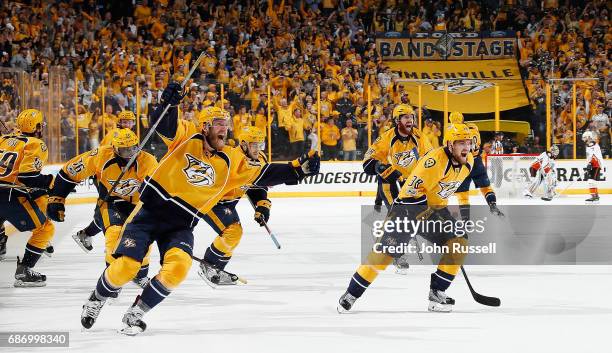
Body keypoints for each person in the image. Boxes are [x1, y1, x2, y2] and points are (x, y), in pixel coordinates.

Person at [78, 82, 320, 335]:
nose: (223, 128)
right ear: (204, 126)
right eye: (217, 123)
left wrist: (296, 170)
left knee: (179, 268)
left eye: (225, 124)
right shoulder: (187, 138)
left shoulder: (230, 160)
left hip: (181, 224)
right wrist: (169, 104)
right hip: (149, 213)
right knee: (127, 267)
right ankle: (96, 298)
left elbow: (262, 174)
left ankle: (136, 312)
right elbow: (165, 124)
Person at [338, 123, 474, 313]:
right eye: (461, 143)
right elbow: (410, 193)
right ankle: (351, 294)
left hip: (434, 211)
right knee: (382, 256)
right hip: (407, 210)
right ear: (450, 144)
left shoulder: (469, 162)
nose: (466, 147)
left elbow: (443, 191)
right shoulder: (434, 162)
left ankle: (437, 293)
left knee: (459, 242)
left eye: (469, 142)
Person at [47, 129, 158, 290]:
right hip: (111, 202)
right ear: (115, 149)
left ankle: (140, 275)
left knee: (143, 239)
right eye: (125, 150)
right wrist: (57, 198)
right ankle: (112, 280)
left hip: (138, 204)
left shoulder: (148, 161)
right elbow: (69, 172)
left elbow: (154, 192)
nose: (130, 154)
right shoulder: (100, 156)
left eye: (134, 148)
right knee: (113, 236)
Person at [0, 109, 55, 287]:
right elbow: (28, 177)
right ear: (37, 127)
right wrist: (51, 181)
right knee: (45, 228)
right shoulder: (35, 144)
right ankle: (25, 270)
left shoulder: (4, 139)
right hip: (9, 194)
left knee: (39, 195)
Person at [73, 110, 140, 251]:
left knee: (117, 209)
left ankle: (86, 234)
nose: (128, 124)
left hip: (119, 176)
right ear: (119, 122)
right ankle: (112, 239)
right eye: (125, 121)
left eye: (130, 121)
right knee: (108, 208)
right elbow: (104, 154)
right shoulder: (113, 134)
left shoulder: (131, 135)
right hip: (105, 176)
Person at [447, 112, 504, 220]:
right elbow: (478, 143)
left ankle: (466, 219)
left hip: (462, 162)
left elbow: (448, 149)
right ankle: (492, 204)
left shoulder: (451, 131)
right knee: (486, 187)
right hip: (476, 160)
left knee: (462, 194)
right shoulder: (473, 128)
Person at [582, 130, 603, 203]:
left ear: (588, 137)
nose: (583, 139)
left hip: (595, 165)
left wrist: (590, 163)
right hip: (592, 165)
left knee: (591, 181)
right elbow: (590, 156)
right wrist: (588, 164)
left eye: (585, 137)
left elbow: (594, 155)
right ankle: (595, 196)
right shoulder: (589, 145)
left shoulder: (592, 144)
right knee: (591, 181)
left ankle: (594, 196)